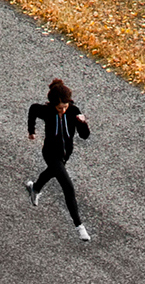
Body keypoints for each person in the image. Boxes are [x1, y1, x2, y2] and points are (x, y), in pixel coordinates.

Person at [25, 78, 92, 241]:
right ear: (53, 104)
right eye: (59, 108)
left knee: (52, 173)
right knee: (68, 187)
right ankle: (79, 227)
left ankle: (35, 188)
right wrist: (31, 131)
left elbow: (84, 136)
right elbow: (33, 109)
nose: (62, 110)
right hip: (50, 153)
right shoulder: (47, 111)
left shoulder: (73, 110)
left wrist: (82, 123)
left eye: (65, 107)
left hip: (65, 154)